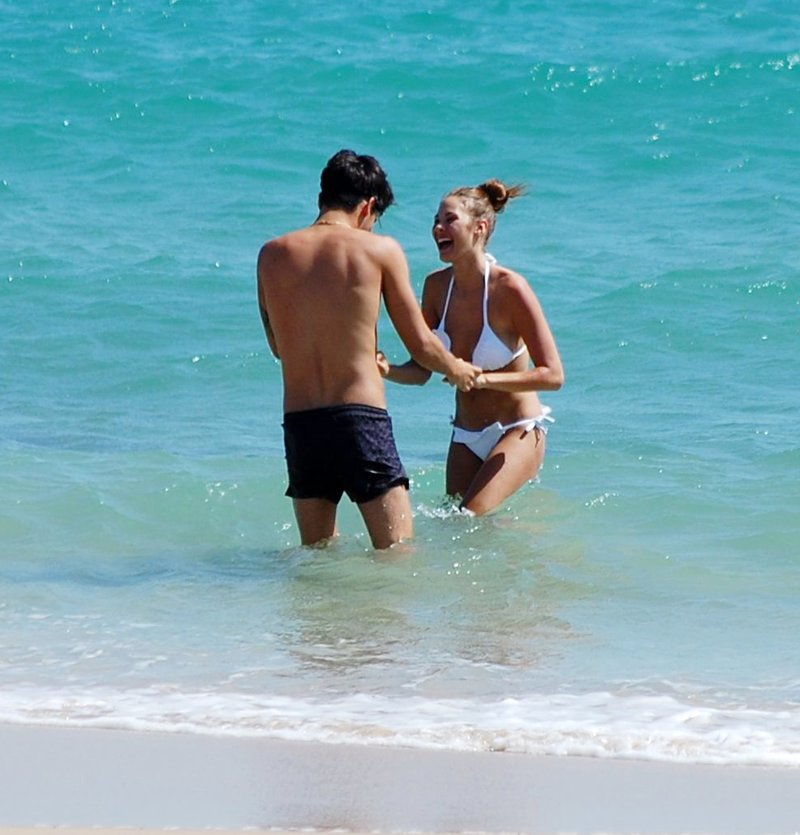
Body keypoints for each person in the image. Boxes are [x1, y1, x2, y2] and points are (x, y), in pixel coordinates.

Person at [257, 150, 480, 549]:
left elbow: (277, 346)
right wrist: (457, 369)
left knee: (318, 559)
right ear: (368, 206)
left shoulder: (271, 254)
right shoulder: (378, 250)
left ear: (323, 197)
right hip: (361, 420)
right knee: (398, 554)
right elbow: (421, 344)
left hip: (302, 426)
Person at [378, 179, 564, 515]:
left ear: (480, 227)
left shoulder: (510, 288)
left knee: (469, 517)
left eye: (449, 220)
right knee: (454, 526)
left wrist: (482, 379)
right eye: (436, 221)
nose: (438, 228)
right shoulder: (436, 288)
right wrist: (385, 369)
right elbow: (421, 370)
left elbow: (552, 376)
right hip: (465, 435)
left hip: (517, 430)